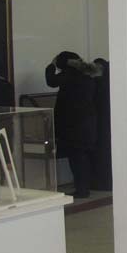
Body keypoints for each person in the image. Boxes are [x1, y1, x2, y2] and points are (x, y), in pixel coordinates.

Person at [46, 52, 101, 198]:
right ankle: (85, 187)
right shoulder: (87, 75)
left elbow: (51, 81)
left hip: (73, 125)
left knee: (76, 158)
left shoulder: (69, 75)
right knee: (83, 157)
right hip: (88, 121)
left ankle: (82, 190)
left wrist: (51, 66)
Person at [91, 58, 113, 191]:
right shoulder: (111, 82)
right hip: (108, 122)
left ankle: (101, 181)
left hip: (99, 123)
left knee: (101, 153)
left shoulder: (96, 83)